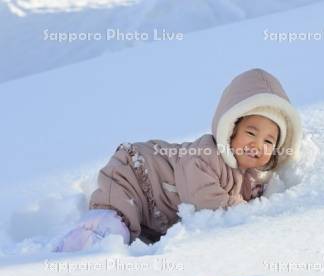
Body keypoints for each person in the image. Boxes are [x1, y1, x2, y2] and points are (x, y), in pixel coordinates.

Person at [54, 68, 303, 252]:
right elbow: (202, 196)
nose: (258, 145)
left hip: (153, 203)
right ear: (230, 130)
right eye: (251, 133)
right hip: (135, 173)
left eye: (269, 141)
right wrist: (239, 208)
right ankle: (77, 252)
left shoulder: (250, 178)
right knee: (113, 225)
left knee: (127, 227)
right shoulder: (206, 155)